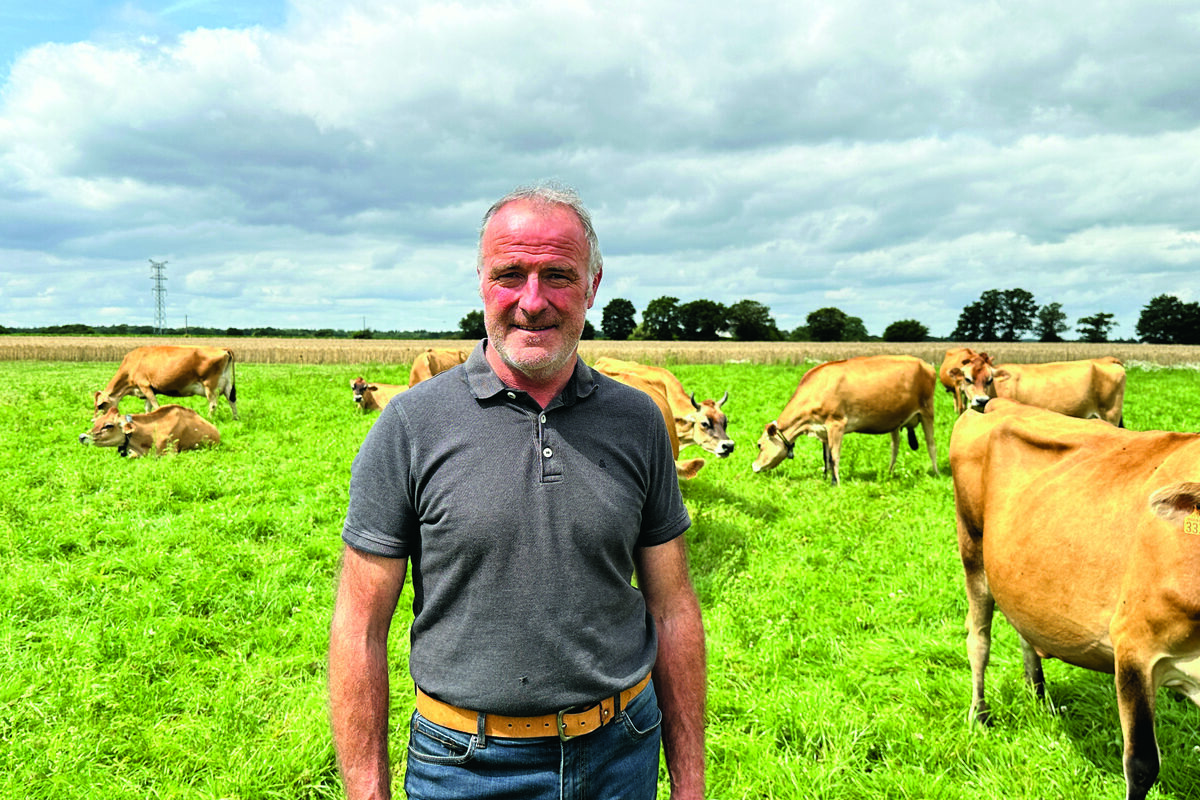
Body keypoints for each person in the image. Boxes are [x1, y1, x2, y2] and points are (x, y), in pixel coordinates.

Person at [328, 182, 707, 800]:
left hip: (621, 752)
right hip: (465, 765)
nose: (533, 301)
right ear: (482, 281)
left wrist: (689, 785)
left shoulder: (639, 421)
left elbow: (673, 608)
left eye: (558, 275)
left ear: (593, 285)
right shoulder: (409, 427)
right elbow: (359, 627)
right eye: (510, 275)